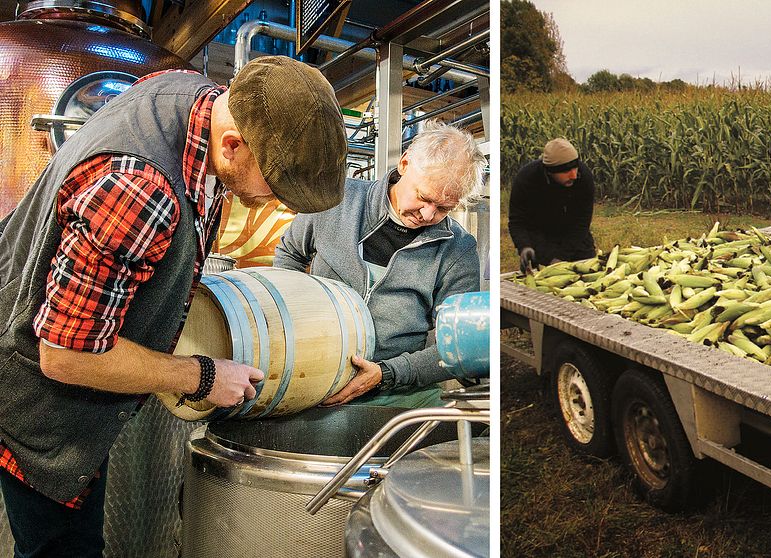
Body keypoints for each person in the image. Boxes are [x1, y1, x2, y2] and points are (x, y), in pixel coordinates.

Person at [0, 55, 347, 557]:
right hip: (39, 414)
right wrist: (202, 376)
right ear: (232, 145)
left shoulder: (188, 93)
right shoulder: (140, 189)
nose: (277, 205)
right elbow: (65, 354)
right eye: (275, 189)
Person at [274, 120, 485, 409]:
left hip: (401, 393)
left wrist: (387, 374)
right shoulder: (337, 200)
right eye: (424, 197)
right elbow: (290, 254)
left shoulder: (458, 249)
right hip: (314, 376)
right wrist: (290, 321)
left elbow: (456, 346)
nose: (427, 214)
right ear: (405, 164)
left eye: (445, 208)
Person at [508, 137, 596, 272]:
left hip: (575, 237)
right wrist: (524, 246)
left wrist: (561, 257)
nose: (573, 175)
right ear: (549, 171)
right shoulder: (526, 179)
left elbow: (582, 223)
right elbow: (517, 220)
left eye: (575, 168)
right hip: (541, 235)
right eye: (566, 171)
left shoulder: (583, 177)